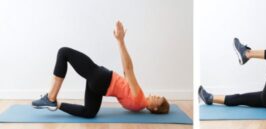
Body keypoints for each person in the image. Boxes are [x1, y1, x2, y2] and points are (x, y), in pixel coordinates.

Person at [31, 21, 169, 118]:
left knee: (63, 52)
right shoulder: (138, 106)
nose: (156, 95)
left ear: (154, 108)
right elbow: (126, 73)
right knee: (89, 112)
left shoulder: (139, 98)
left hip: (102, 78)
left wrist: (120, 41)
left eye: (158, 99)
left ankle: (50, 98)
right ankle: (57, 105)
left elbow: (128, 69)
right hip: (101, 88)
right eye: (159, 96)